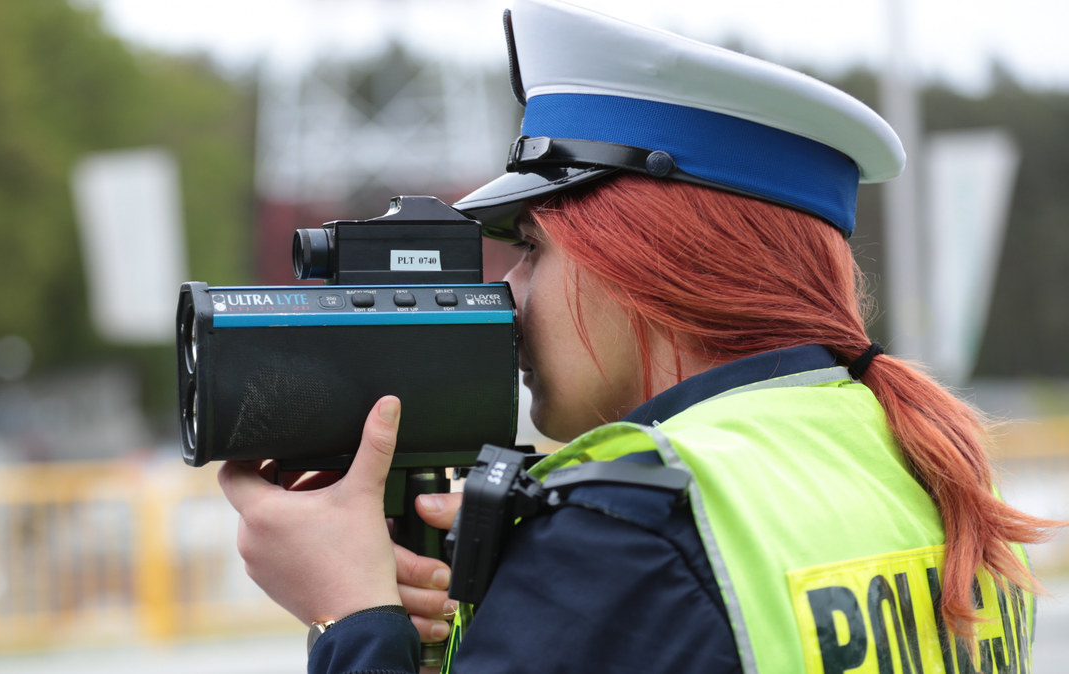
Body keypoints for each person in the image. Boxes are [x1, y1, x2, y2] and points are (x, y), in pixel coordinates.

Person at [218, 1, 1061, 672]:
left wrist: (348, 615)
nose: (508, 293)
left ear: (646, 263)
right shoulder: (913, 461)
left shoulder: (628, 530)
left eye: (534, 251)